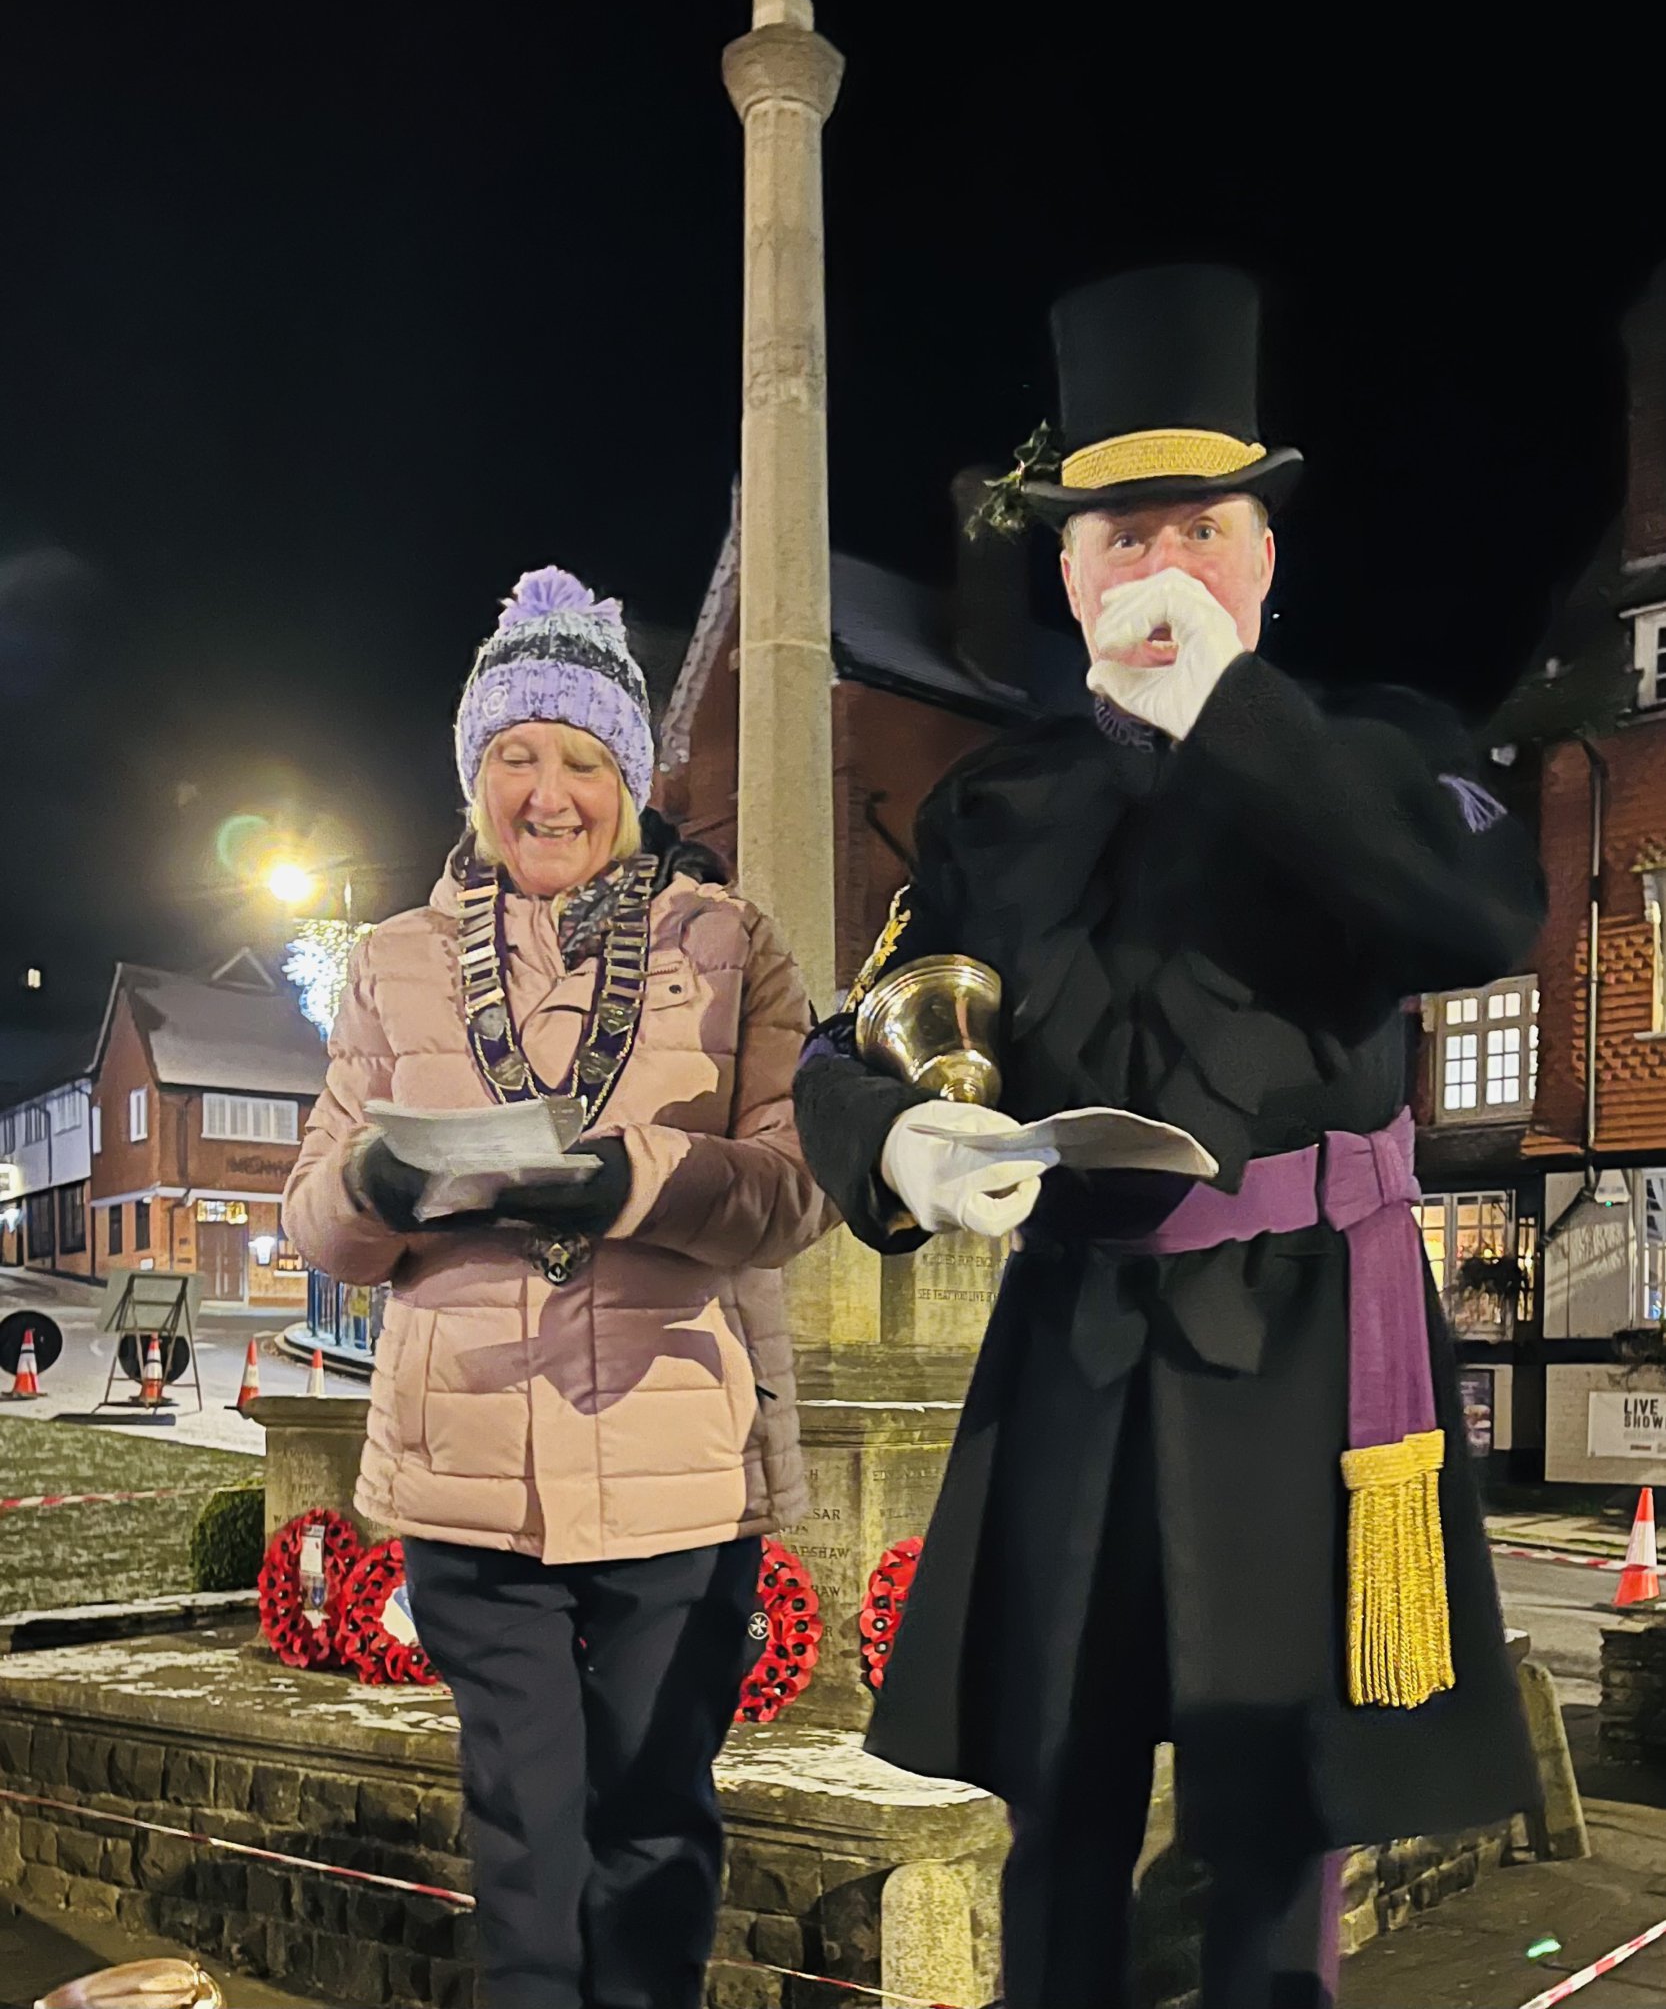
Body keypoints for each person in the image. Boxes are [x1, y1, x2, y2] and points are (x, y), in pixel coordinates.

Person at [793, 265, 1546, 2009]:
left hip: (1306, 1355)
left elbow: (1470, 917)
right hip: (1075, 1338)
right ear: (1062, 571)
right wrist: (899, 1145)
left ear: (1261, 555)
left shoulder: (1385, 750)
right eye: (1114, 535)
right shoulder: (997, 799)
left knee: (1285, 1833)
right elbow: (868, 1033)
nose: (1155, 570)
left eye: (1195, 527)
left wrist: (1232, 716)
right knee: (1049, 1798)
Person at [283, 565, 829, 2009]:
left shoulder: (729, 946)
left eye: (582, 757)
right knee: (525, 1835)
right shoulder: (390, 965)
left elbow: (799, 1187)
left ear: (630, 779)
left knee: (652, 1828)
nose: (548, 790)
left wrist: (636, 1180)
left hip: (674, 1469)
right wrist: (371, 1197)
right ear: (474, 775)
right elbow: (312, 1211)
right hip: (470, 1461)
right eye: (515, 754)